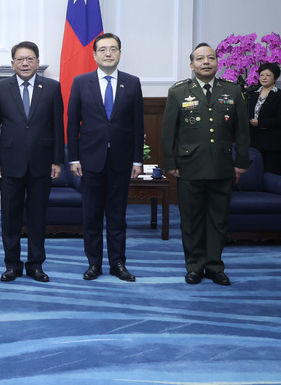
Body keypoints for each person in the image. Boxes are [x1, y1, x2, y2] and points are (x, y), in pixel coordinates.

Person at [161, 43, 250, 286]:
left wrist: (241, 162)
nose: (206, 62)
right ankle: (194, 266)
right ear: (192, 65)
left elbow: (241, 131)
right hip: (189, 166)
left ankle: (214, 266)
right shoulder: (179, 92)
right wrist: (170, 162)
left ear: (217, 63)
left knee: (219, 219)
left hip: (222, 166)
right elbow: (169, 132)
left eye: (211, 57)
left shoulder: (232, 91)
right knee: (191, 220)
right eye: (200, 58)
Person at [66, 33, 144, 282]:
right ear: (94, 54)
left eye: (113, 49)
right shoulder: (81, 82)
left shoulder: (132, 83)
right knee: (91, 214)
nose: (108, 53)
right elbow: (72, 124)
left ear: (120, 53)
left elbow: (137, 123)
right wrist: (74, 158)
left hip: (121, 161)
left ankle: (118, 263)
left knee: (117, 215)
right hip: (90, 161)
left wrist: (137, 160)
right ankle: (94, 263)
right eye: (102, 49)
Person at [0, 41, 63, 283]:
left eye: (30, 59)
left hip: (42, 162)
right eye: (20, 59)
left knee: (38, 216)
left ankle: (35, 265)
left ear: (38, 62)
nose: (25, 63)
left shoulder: (52, 88)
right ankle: (12, 265)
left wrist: (57, 160)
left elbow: (57, 127)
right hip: (9, 162)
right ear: (12, 63)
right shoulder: (0, 88)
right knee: (10, 217)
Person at [247, 62, 281, 174]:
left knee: (269, 174)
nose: (264, 78)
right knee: (254, 174)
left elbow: (279, 120)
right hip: (254, 141)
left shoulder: (278, 95)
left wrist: (260, 123)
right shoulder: (253, 93)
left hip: (271, 143)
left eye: (268, 75)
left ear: (275, 77)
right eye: (262, 75)